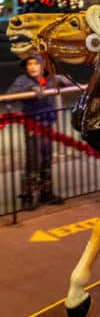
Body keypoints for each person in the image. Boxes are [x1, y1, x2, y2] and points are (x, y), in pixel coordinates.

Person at [5, 54, 70, 210]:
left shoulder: (48, 80)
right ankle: (28, 195)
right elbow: (9, 95)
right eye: (29, 64)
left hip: (47, 124)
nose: (32, 67)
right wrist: (30, 89)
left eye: (36, 63)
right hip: (33, 126)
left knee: (47, 157)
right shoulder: (22, 80)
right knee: (33, 159)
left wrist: (63, 79)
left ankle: (45, 192)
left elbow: (66, 82)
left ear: (42, 66)